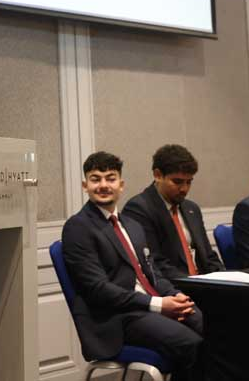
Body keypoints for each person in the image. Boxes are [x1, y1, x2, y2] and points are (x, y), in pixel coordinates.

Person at [61, 151, 204, 379]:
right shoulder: (78, 227)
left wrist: (175, 296)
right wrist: (158, 304)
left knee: (204, 323)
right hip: (116, 318)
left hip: (146, 307)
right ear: (85, 186)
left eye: (110, 178)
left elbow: (152, 272)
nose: (103, 185)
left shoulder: (131, 225)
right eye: (95, 179)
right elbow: (98, 289)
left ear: (121, 185)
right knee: (190, 343)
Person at [123, 144, 224, 281]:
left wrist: (226, 280)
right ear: (158, 175)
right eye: (177, 182)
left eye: (189, 182)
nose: (184, 189)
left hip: (204, 283)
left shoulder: (191, 208)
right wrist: (194, 284)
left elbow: (208, 256)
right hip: (174, 287)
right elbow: (155, 263)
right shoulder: (139, 208)